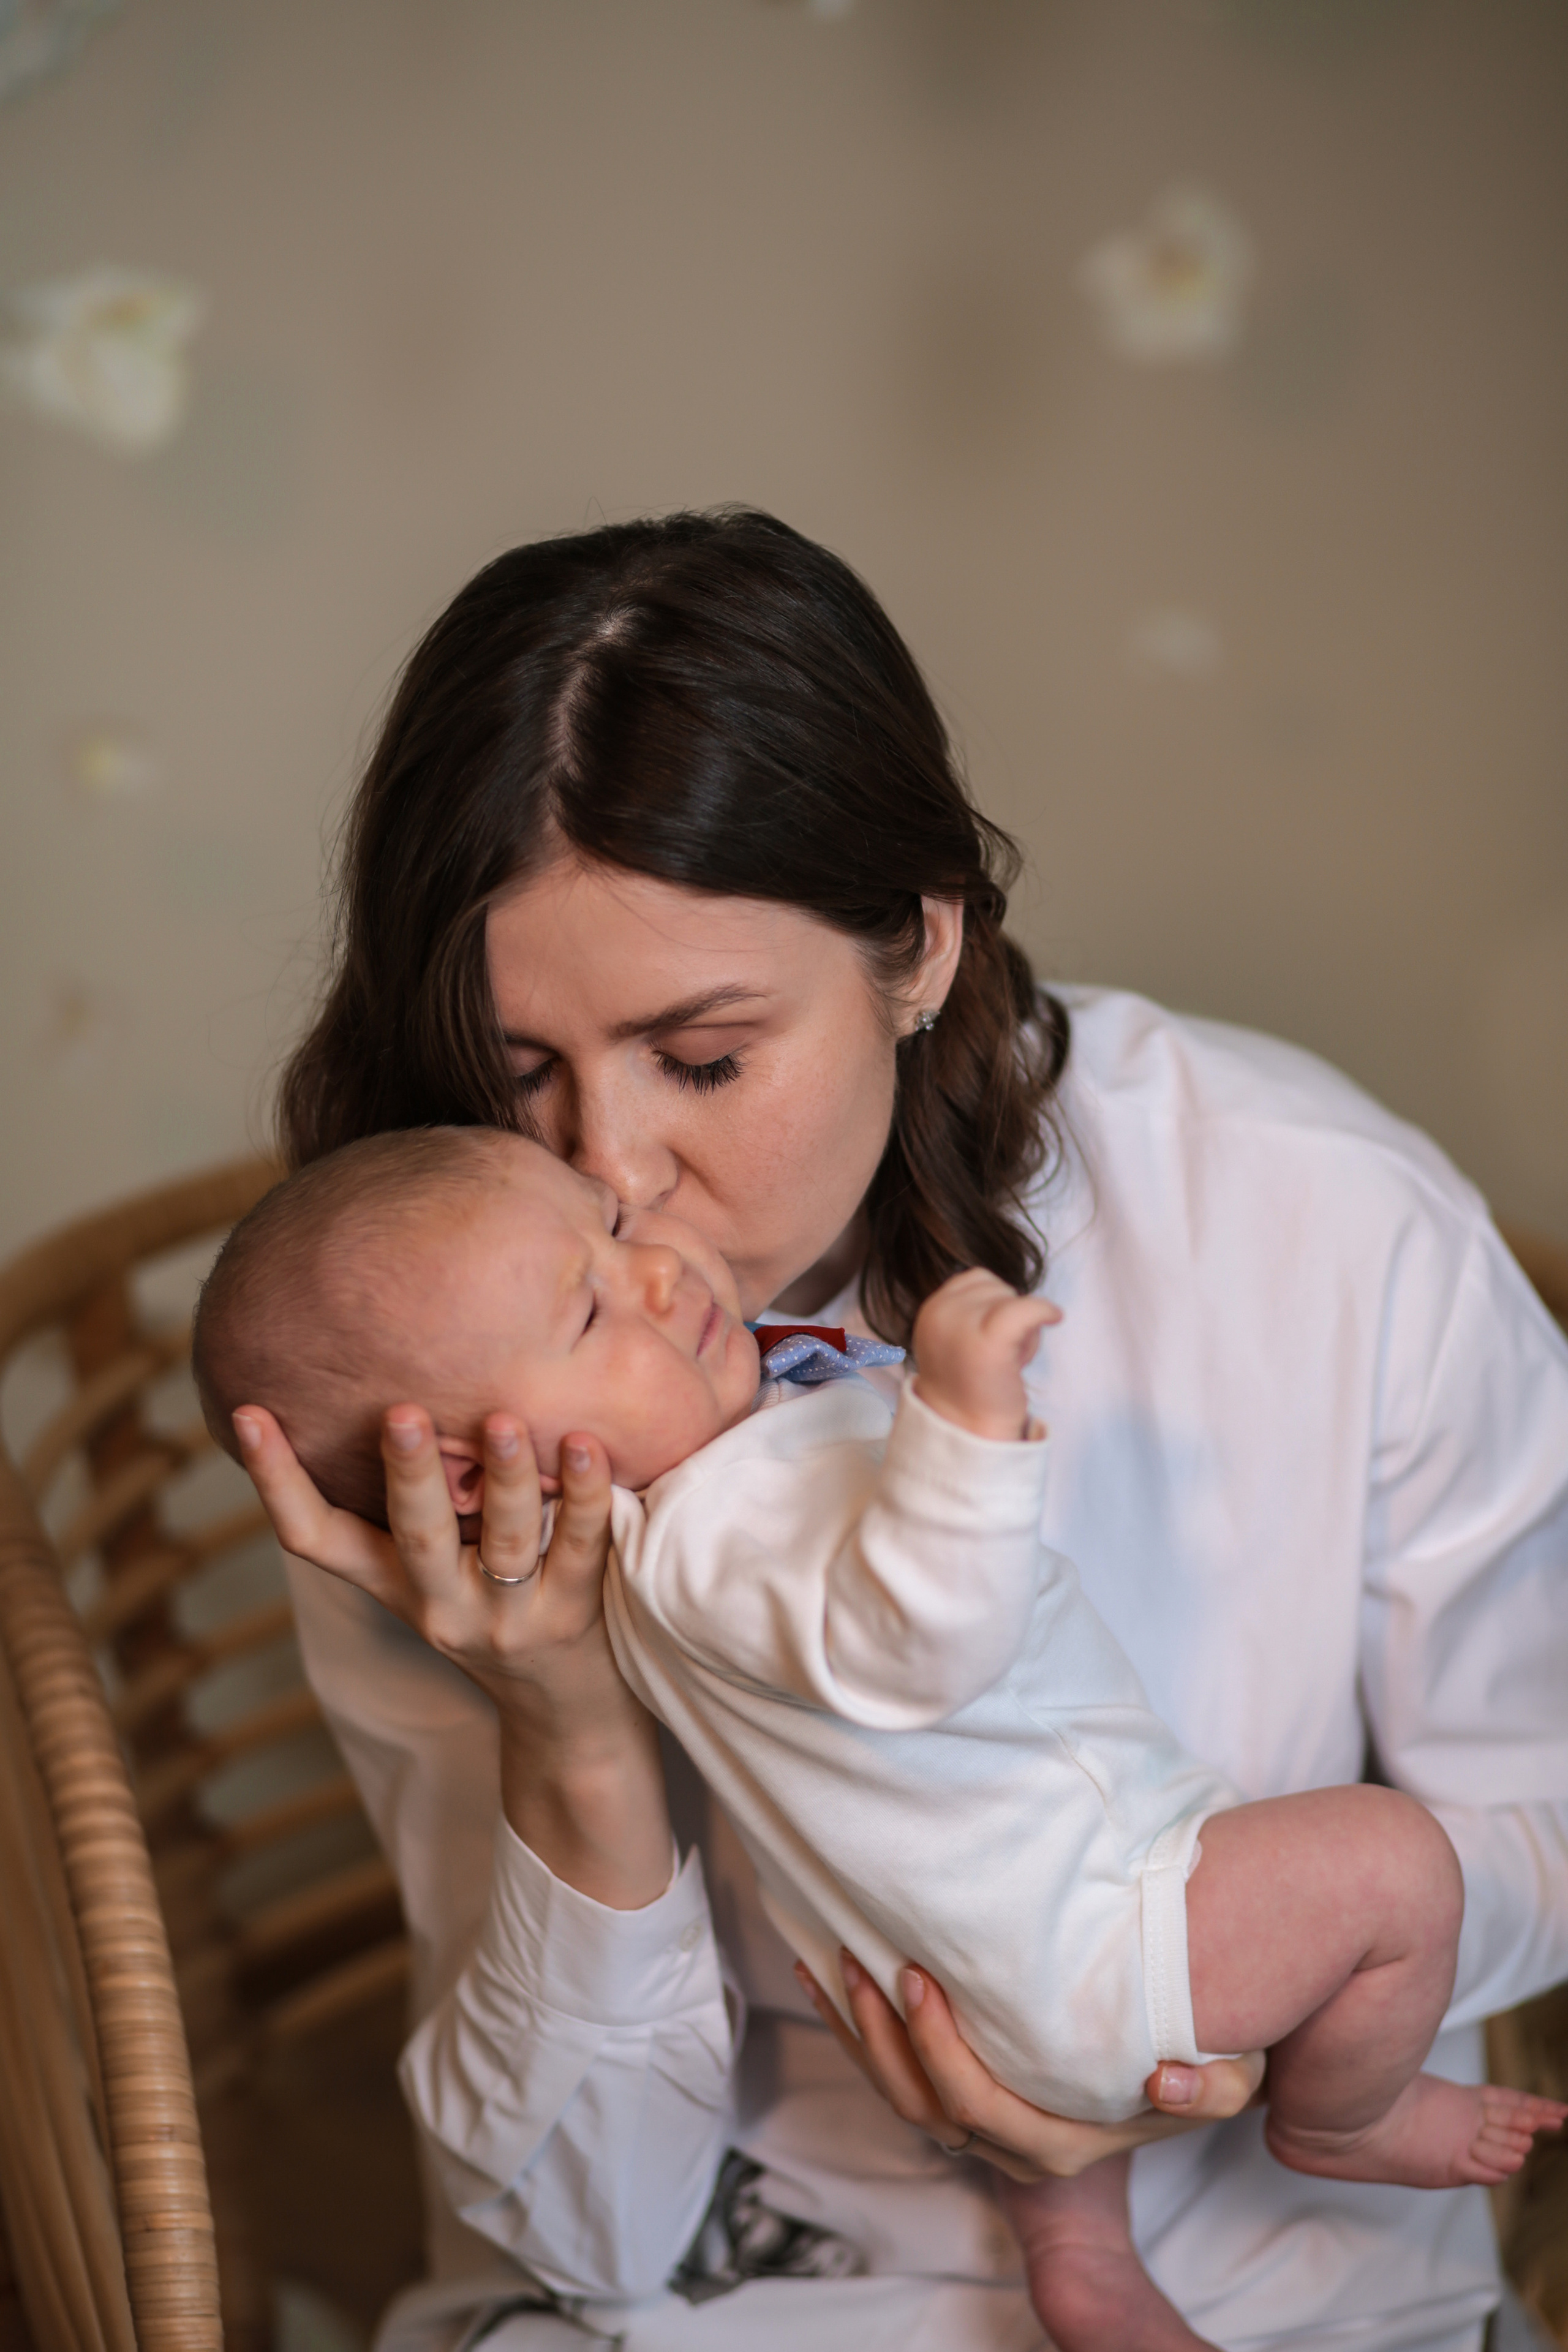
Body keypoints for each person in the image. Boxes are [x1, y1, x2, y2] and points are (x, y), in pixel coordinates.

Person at [236, 508, 1568, 2352]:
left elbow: (1535, 1831)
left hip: (1277, 2259)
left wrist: (1192, 2016)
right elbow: (584, 2227)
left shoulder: (1326, 1226)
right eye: (518, 1070)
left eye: (703, 1059)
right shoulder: (454, 1384)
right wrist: (567, 1732)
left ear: (920, 944)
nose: (611, 1174)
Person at [197, 1123, 1565, 2352]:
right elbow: (918, 1645)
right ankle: (1340, 2117)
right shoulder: (704, 1530)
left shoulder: (699, 1483)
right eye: (590, 1310)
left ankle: (1082, 2258)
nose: (650, 1236)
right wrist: (967, 1438)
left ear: (915, 946)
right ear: (465, 1477)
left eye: (702, 1067)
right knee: (1390, 1865)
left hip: (996, 1972)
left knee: (1084, 2075)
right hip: (1087, 1930)